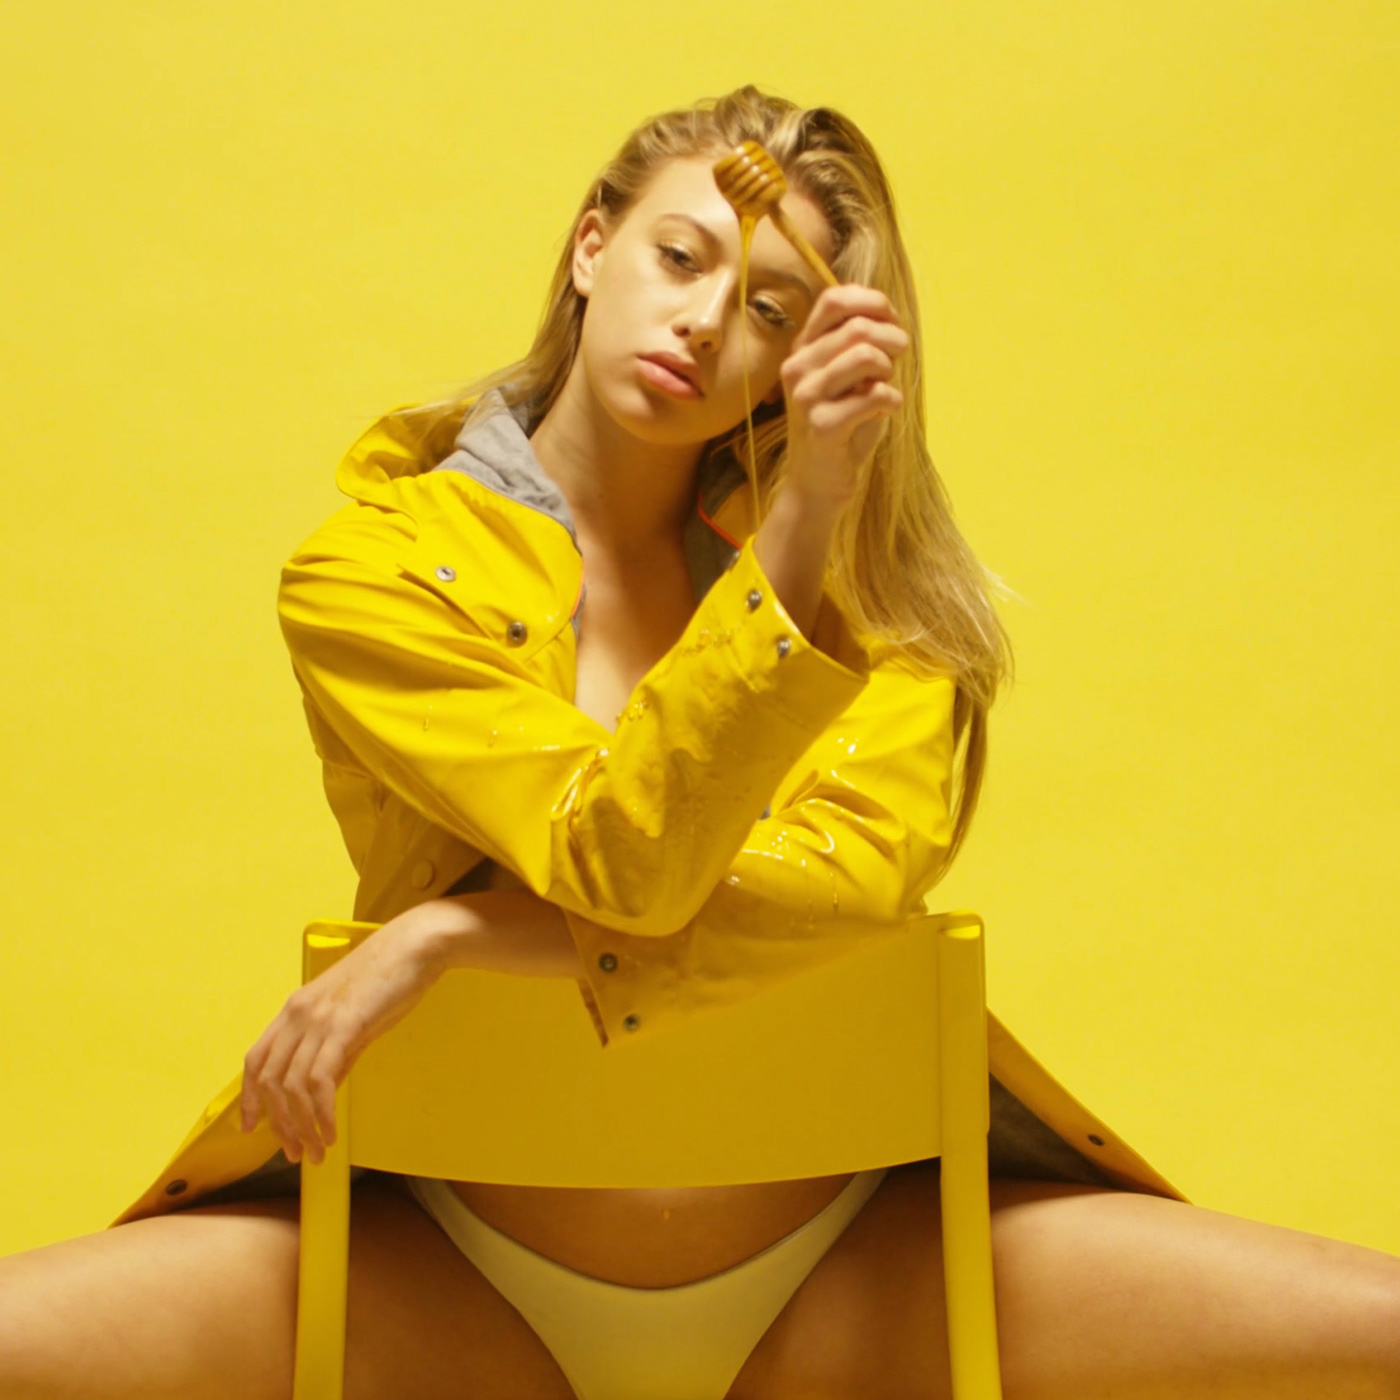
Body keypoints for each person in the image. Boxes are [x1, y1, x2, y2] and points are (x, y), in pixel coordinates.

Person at [2, 84, 1397, 1400]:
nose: (704, 321)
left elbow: (835, 893)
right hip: (440, 1265)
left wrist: (451, 935)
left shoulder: (873, 609)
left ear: (803, 359)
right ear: (591, 248)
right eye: (679, 258)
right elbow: (622, 861)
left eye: (769, 308)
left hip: (858, 1251)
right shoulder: (373, 572)